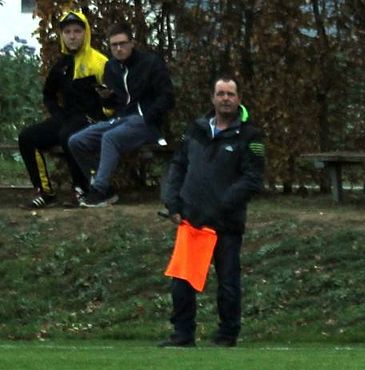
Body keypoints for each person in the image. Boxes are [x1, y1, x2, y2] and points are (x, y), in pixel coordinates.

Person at [158, 76, 264, 348]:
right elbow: (178, 165)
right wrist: (173, 202)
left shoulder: (250, 136)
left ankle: (227, 335)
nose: (225, 98)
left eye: (230, 94)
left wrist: (222, 204)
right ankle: (182, 334)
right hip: (192, 219)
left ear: (239, 99)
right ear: (212, 98)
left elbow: (252, 179)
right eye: (221, 93)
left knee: (228, 281)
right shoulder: (196, 129)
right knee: (182, 280)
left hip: (226, 222)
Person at [68, 21, 174, 208]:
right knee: (76, 141)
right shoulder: (111, 68)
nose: (118, 49)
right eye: (114, 45)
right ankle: (105, 189)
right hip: (120, 120)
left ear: (132, 43)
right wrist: (106, 98)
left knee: (110, 138)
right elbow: (115, 104)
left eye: (122, 43)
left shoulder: (151, 63)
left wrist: (149, 117)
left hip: (146, 123)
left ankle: (99, 191)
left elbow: (167, 97)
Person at [17, 11, 108, 209]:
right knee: (27, 137)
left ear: (86, 33)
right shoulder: (61, 65)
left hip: (93, 119)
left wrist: (106, 116)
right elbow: (48, 94)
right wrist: (57, 113)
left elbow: (114, 96)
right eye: (67, 32)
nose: (72, 36)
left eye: (77, 31)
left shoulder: (99, 62)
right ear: (62, 35)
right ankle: (45, 192)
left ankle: (82, 189)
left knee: (69, 135)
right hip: (67, 118)